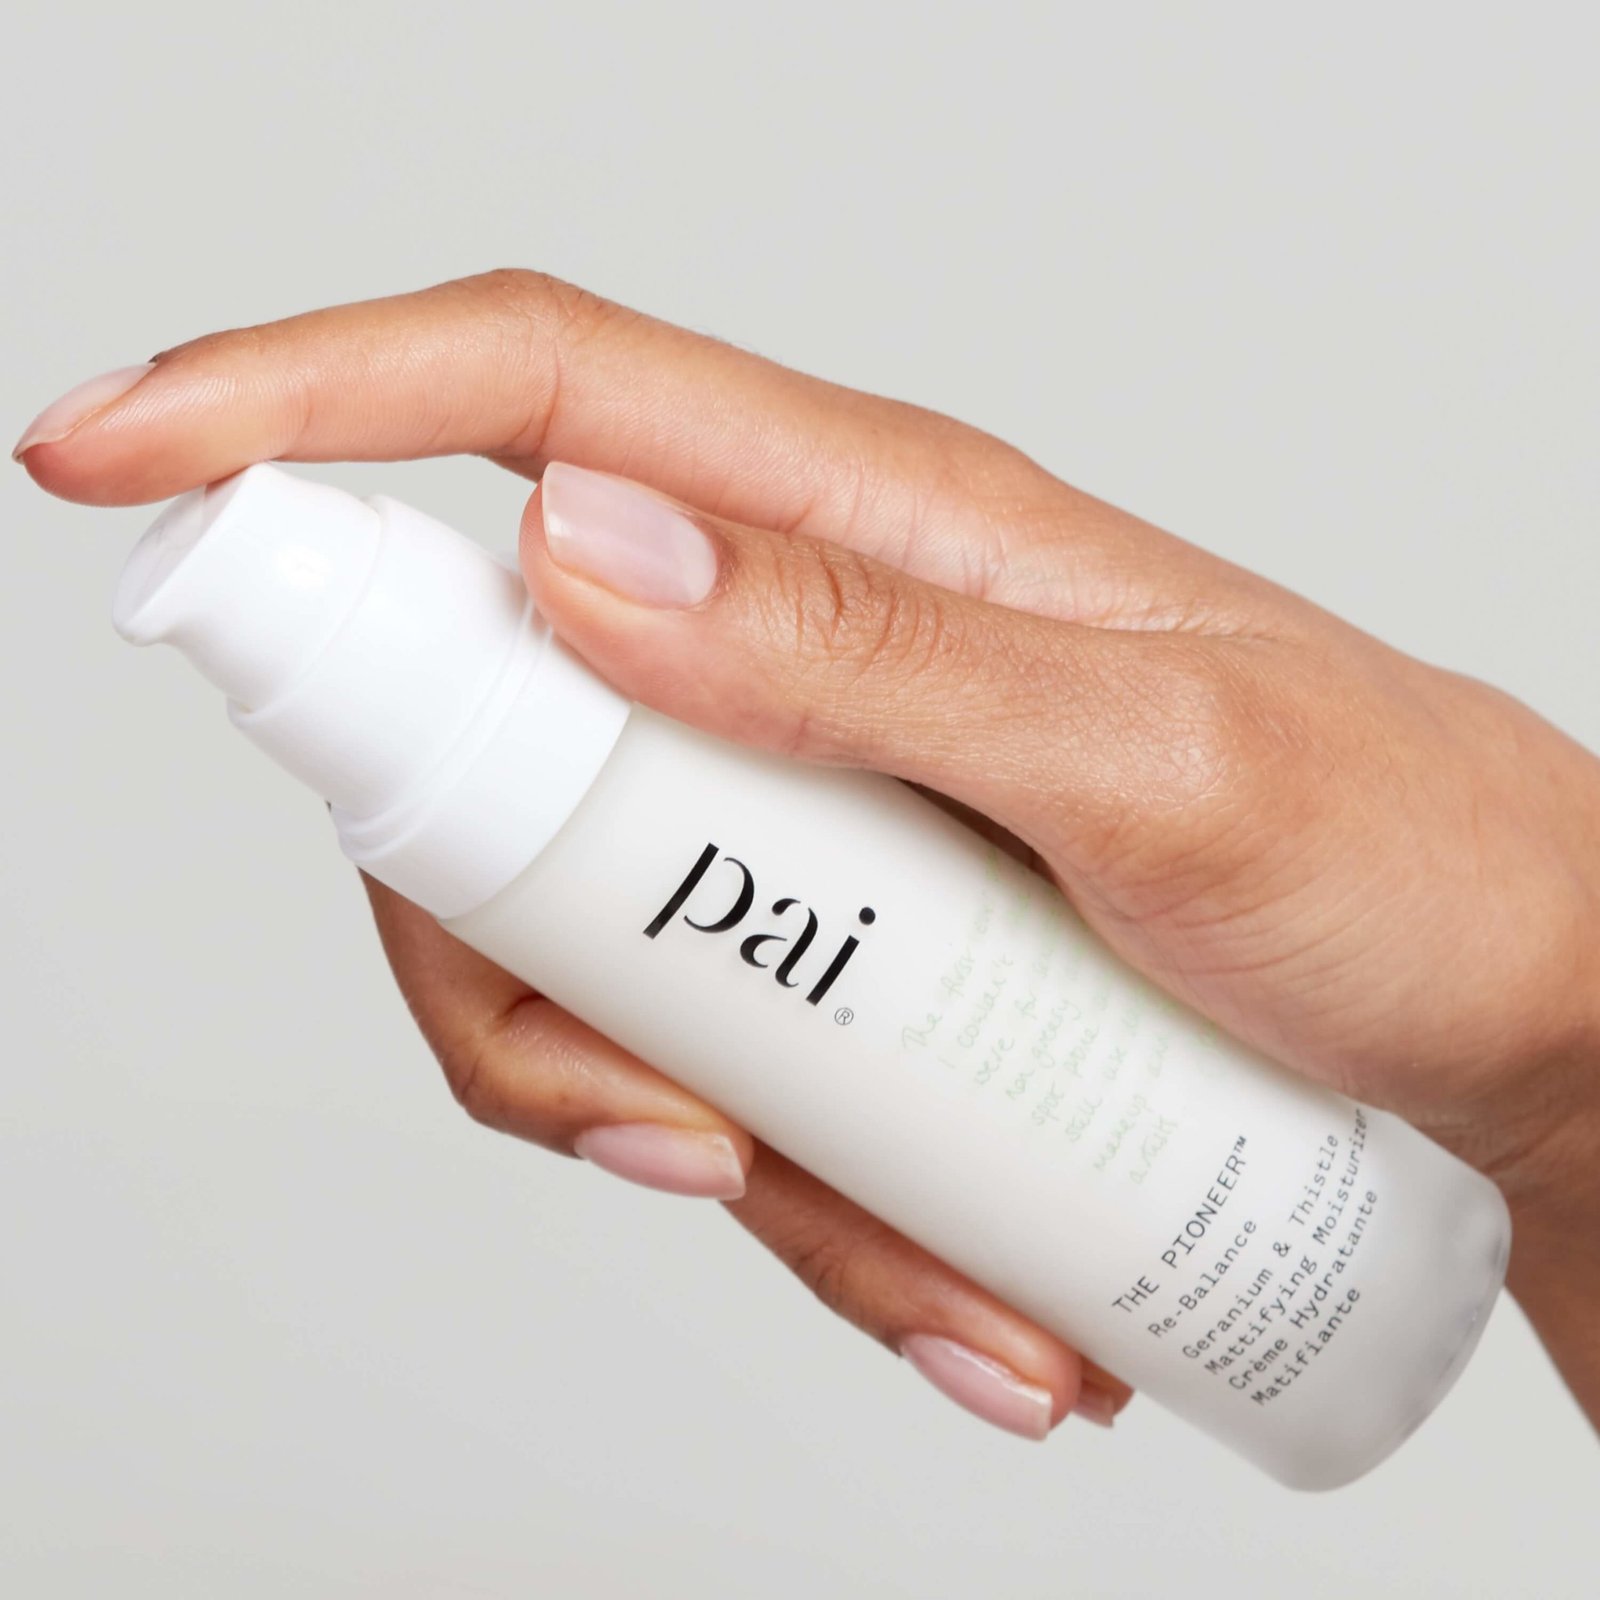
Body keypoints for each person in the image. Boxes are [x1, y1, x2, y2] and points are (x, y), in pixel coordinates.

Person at [16, 270, 1599, 1442]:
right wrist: (1556, 1104)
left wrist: (1559, 1050)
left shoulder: (622, 671)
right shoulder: (458, 819)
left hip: (1398, 1180)